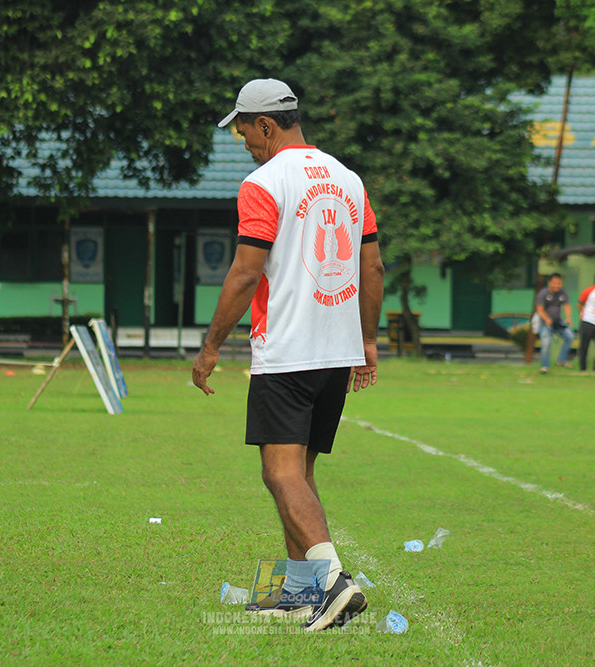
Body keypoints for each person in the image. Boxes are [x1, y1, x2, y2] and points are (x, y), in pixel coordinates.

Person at [191, 78, 384, 632]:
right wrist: (367, 342)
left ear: (267, 125)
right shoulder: (350, 179)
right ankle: (299, 592)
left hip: (288, 350)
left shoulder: (264, 182)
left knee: (279, 475)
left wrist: (209, 348)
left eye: (245, 129)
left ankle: (333, 582)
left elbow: (246, 271)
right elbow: (371, 268)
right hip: (336, 352)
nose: (243, 141)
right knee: (299, 472)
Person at [535, 273, 574, 373]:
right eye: (555, 283)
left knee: (570, 336)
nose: (557, 286)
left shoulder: (562, 292)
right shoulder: (543, 293)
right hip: (545, 323)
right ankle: (544, 366)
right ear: (549, 283)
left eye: (559, 283)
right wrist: (547, 319)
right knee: (546, 343)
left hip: (558, 322)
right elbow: (540, 309)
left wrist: (569, 317)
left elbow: (567, 306)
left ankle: (561, 360)